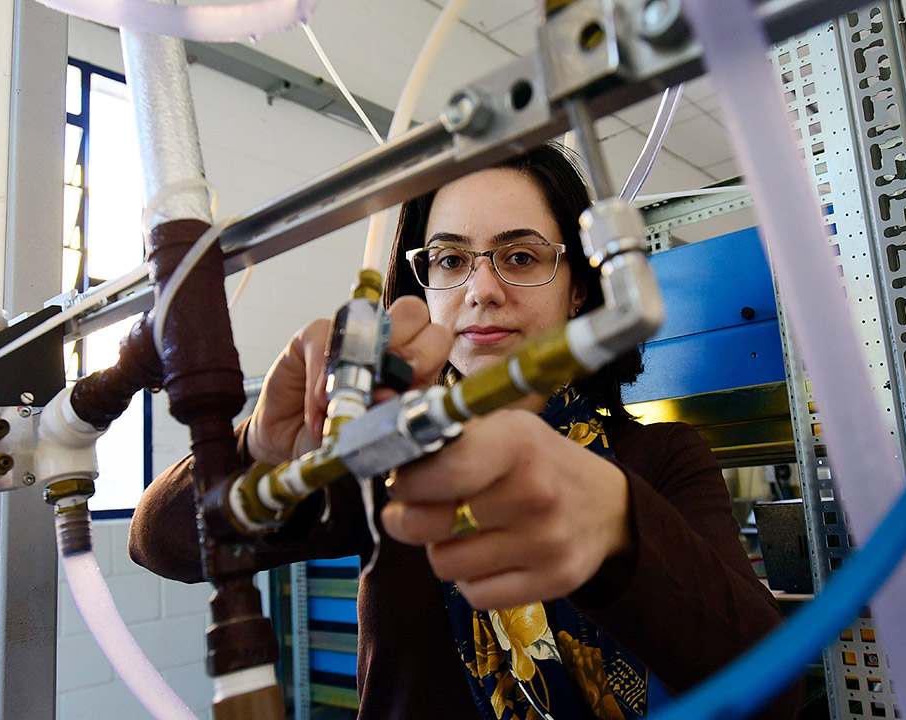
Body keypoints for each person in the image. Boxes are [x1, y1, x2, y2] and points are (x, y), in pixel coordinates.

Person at [130, 143, 803, 719]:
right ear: (421, 289)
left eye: (518, 256)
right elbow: (162, 545)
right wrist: (260, 450)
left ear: (577, 288)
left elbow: (772, 691)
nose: (481, 288)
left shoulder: (658, 458)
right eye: (451, 261)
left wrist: (619, 531)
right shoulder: (385, 452)